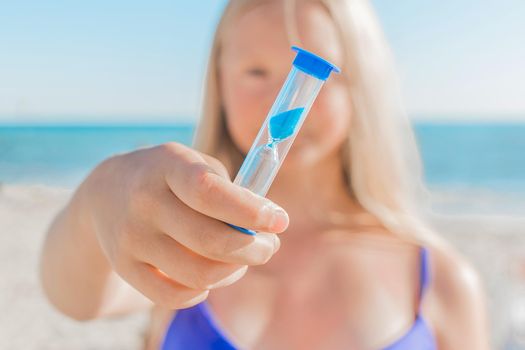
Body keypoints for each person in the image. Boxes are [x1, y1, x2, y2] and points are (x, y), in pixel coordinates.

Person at [39, 0, 492, 349]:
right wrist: (97, 199)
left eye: (323, 75)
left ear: (362, 83)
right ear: (219, 83)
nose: (285, 98)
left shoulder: (443, 278)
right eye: (255, 71)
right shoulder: (179, 242)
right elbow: (73, 298)